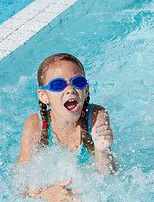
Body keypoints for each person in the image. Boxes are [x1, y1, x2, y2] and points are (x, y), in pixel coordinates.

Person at [17, 53, 116, 201]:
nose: (70, 89)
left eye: (77, 82)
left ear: (86, 90)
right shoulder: (35, 124)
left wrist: (102, 151)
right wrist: (45, 193)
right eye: (58, 85)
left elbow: (109, 176)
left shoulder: (95, 116)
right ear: (44, 96)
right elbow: (20, 183)